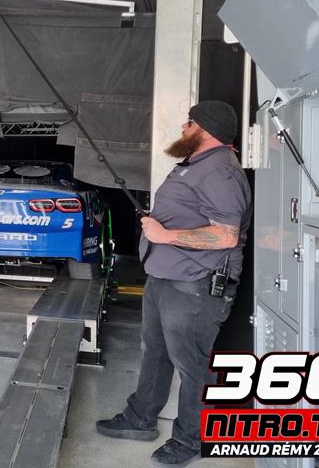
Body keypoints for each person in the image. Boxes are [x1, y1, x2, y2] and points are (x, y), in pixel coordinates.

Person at [96, 100, 252, 466]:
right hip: (166, 277)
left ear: (206, 131)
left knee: (192, 365)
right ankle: (140, 418)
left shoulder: (221, 172)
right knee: (155, 351)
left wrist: (165, 236)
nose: (184, 127)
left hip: (195, 285)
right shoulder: (196, 164)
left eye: (190, 123)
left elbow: (226, 235)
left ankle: (191, 440)